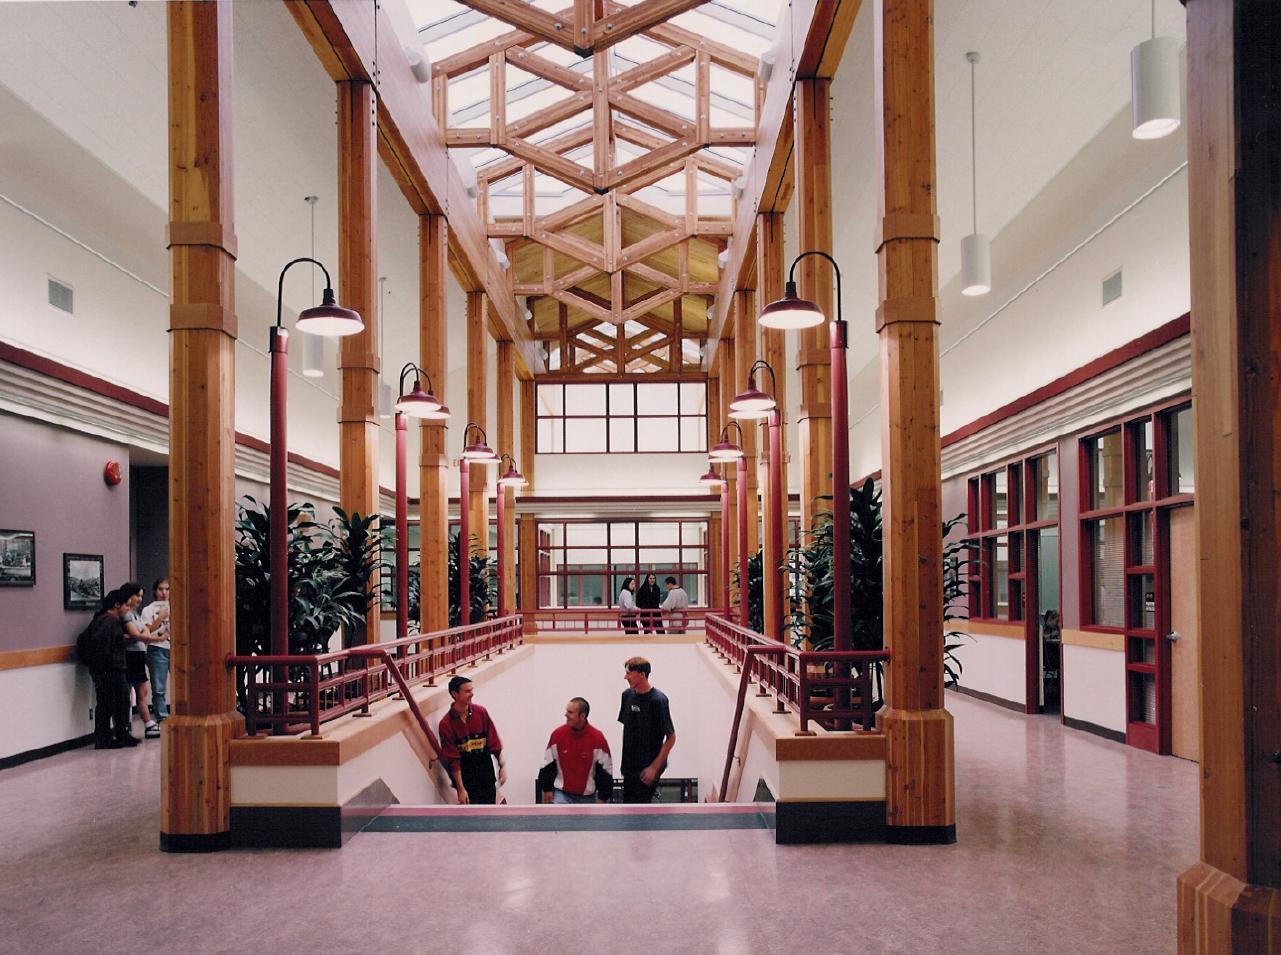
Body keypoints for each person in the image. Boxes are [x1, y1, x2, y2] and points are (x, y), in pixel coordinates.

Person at [438, 675, 506, 805]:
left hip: (486, 777)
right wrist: (461, 789)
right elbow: (453, 760)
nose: (472, 694)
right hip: (467, 782)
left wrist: (501, 767)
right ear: (454, 694)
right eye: (467, 691)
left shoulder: (481, 713)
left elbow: (494, 743)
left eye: (472, 690)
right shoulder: (446, 724)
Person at [617, 656, 676, 803]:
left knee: (640, 808)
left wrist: (654, 768)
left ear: (642, 675)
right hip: (629, 766)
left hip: (648, 767)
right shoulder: (627, 696)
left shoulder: (658, 701)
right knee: (628, 806)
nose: (626, 677)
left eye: (629, 673)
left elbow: (671, 737)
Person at [87, 589, 139, 749]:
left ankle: (119, 733)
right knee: (108, 703)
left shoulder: (106, 620)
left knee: (120, 701)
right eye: (127, 606)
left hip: (111, 668)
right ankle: (105, 737)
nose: (128, 610)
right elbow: (103, 646)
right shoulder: (109, 621)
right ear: (117, 605)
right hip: (110, 669)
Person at [538, 697, 614, 804]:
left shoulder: (598, 739)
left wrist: (602, 798)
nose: (566, 715)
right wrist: (547, 789)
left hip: (587, 798)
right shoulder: (557, 735)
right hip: (561, 795)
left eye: (570, 712)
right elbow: (547, 765)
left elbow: (606, 771)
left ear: (582, 716)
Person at [119, 580, 165, 739]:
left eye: (141, 596)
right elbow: (136, 634)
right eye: (137, 596)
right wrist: (155, 636)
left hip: (139, 654)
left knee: (143, 691)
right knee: (133, 692)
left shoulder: (136, 614)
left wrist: (149, 633)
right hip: (130, 655)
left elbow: (145, 632)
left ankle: (147, 723)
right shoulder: (126, 614)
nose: (139, 599)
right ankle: (135, 723)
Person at [141, 577, 171, 722]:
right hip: (157, 648)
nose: (164, 593)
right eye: (161, 589)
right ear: (155, 591)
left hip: (175, 647)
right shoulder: (148, 610)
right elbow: (147, 631)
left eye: (167, 589)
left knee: (183, 685)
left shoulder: (177, 606)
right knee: (159, 687)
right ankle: (162, 718)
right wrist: (160, 618)